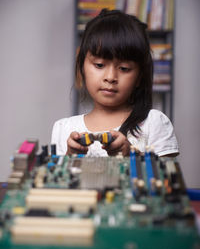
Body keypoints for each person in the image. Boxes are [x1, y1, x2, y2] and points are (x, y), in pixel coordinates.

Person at [51, 9, 179, 157]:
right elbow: (58, 179)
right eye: (99, 65)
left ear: (139, 77)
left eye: (124, 68)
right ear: (82, 68)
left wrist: (132, 155)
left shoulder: (154, 123)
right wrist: (70, 157)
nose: (110, 77)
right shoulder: (63, 128)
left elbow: (167, 178)